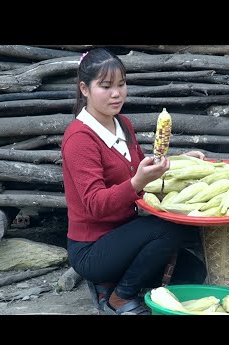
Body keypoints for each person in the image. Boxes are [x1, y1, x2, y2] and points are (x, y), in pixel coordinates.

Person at [61, 48, 207, 315]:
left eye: (121, 84)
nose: (116, 93)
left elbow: (143, 169)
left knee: (194, 273)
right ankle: (119, 296)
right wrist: (136, 182)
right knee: (168, 231)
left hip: (125, 234)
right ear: (85, 89)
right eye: (106, 86)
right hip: (92, 248)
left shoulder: (122, 124)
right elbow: (95, 204)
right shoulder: (79, 139)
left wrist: (180, 162)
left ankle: (112, 281)